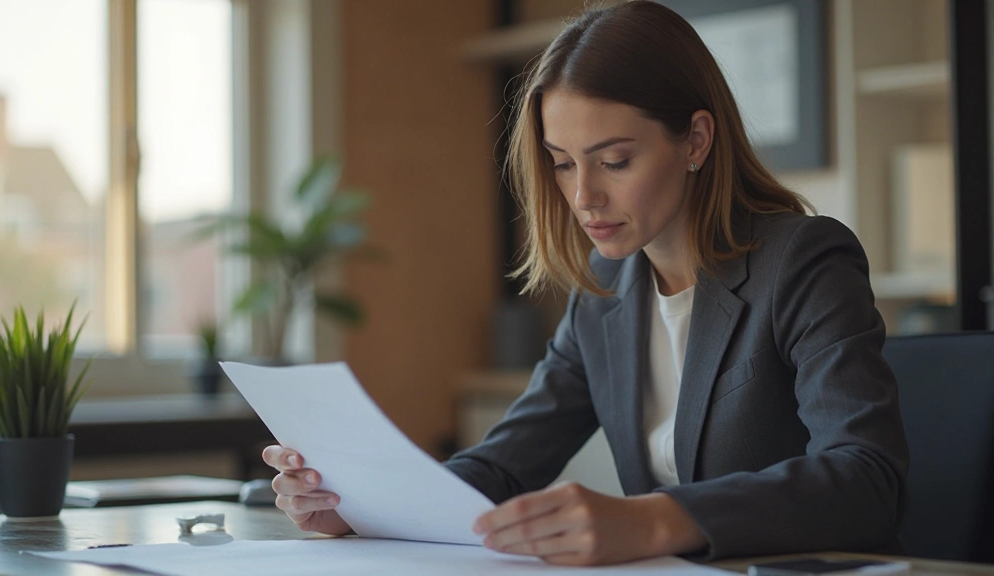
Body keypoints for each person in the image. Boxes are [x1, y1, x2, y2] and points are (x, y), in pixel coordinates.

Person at [262, 0, 909, 567]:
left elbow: (867, 479)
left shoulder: (802, 261)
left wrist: (653, 520)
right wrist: (362, 509)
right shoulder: (606, 289)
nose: (583, 196)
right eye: (563, 164)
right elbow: (503, 465)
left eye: (615, 161)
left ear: (696, 140)